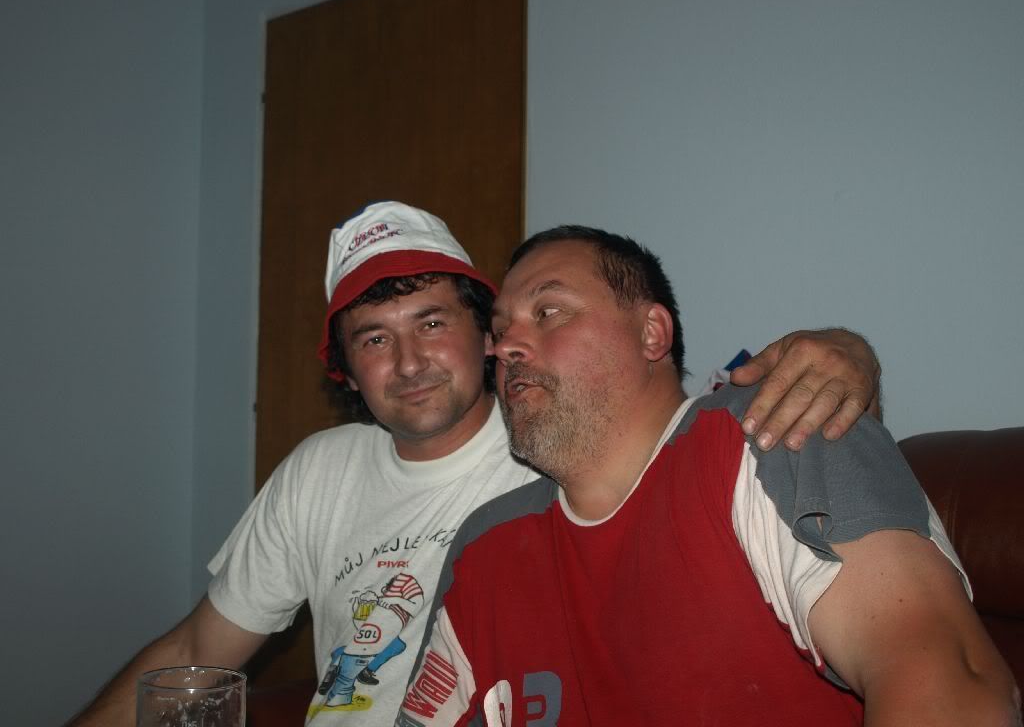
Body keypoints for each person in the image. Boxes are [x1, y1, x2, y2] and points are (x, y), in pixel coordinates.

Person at [68, 203, 884, 727]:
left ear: (486, 337)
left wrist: (847, 356)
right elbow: (194, 653)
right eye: (375, 339)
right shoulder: (318, 473)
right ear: (346, 372)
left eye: (433, 323)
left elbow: (684, 420)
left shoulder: (557, 441)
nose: (409, 362)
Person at [398, 226, 1020, 726]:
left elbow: (944, 682)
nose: (506, 346)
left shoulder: (776, 429)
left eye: (549, 311)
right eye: (500, 330)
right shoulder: (485, 545)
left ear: (651, 332)